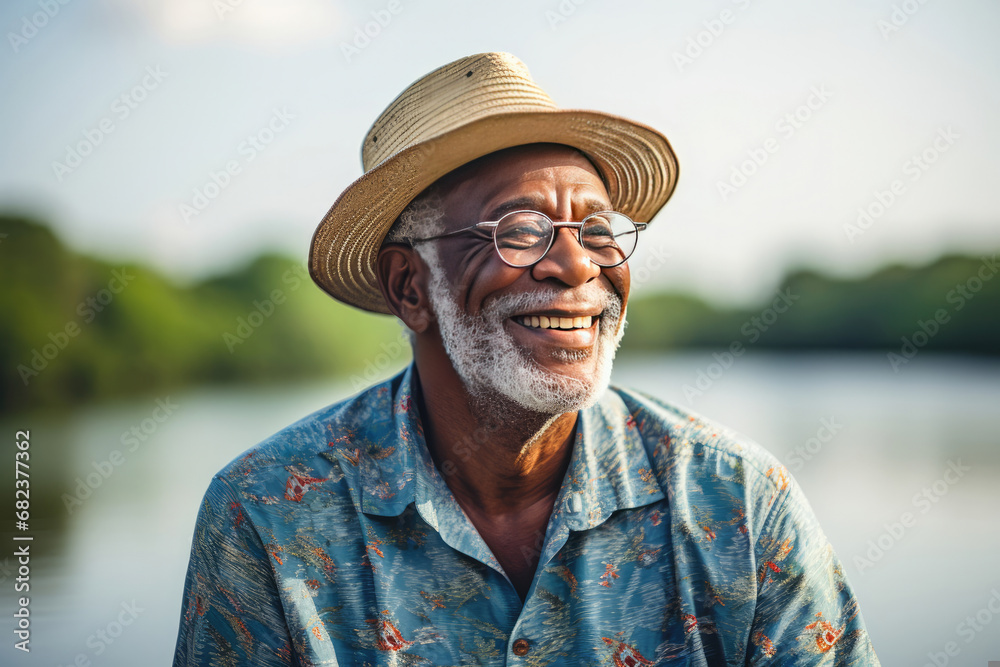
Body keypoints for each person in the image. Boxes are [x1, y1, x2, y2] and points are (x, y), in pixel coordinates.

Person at [173, 52, 880, 666]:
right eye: (519, 231)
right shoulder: (265, 514)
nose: (577, 265)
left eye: (598, 229)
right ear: (409, 286)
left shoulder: (740, 504)